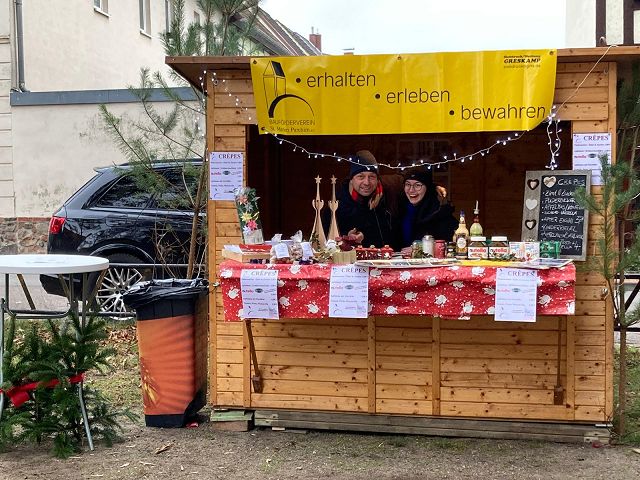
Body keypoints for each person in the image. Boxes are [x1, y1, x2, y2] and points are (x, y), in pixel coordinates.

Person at [334, 150, 399, 249]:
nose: (367, 182)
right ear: (351, 180)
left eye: (372, 177)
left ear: (377, 179)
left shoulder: (388, 198)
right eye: (361, 176)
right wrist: (348, 239)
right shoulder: (338, 205)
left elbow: (394, 237)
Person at [399, 165, 457, 255]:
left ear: (427, 187)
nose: (411, 190)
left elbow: (449, 242)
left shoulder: (439, 211)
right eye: (408, 184)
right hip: (401, 260)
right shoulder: (401, 207)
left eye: (417, 185)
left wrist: (419, 248)